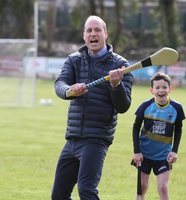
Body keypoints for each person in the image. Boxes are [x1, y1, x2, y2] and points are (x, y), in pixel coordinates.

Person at [51, 15, 133, 200]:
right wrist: (70, 91)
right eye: (89, 30)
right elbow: (60, 84)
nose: (93, 34)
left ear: (106, 34)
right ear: (84, 36)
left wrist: (116, 85)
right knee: (58, 195)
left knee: (87, 191)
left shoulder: (120, 66)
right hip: (72, 138)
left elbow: (123, 106)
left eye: (97, 30)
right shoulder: (74, 60)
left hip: (96, 139)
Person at [131, 72, 185, 200]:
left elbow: (178, 130)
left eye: (164, 87)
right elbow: (135, 128)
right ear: (152, 90)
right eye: (158, 87)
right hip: (144, 155)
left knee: (163, 187)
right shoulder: (145, 106)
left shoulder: (176, 108)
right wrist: (137, 152)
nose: (161, 90)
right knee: (142, 187)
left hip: (163, 155)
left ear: (170, 89)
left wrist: (174, 151)